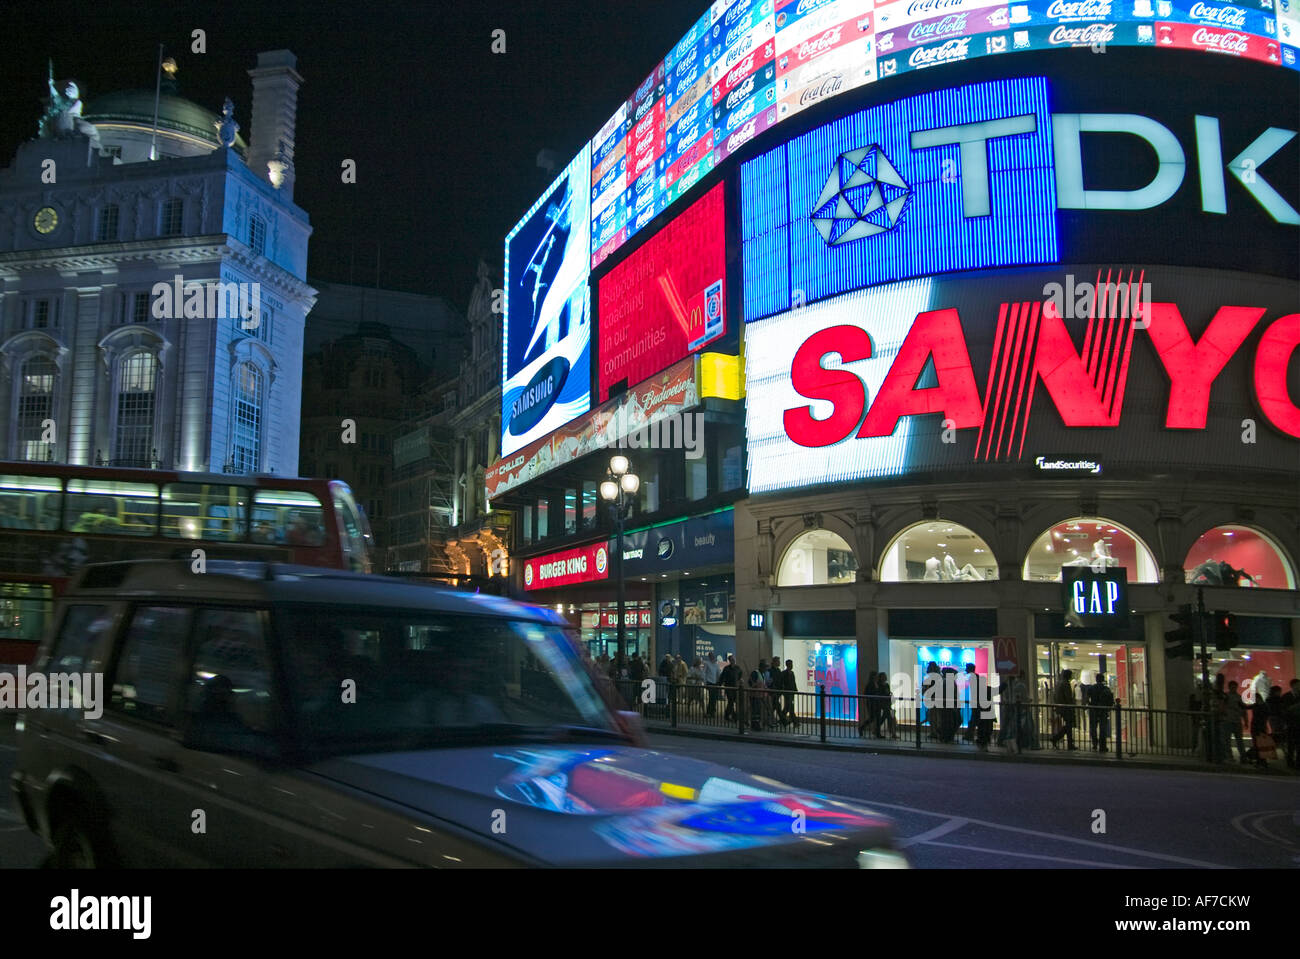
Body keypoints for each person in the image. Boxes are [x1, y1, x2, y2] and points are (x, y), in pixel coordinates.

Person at [1050, 669, 1077, 750]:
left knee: (1068, 726)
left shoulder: (1058, 683)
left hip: (1060, 707)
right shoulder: (1066, 684)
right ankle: (1064, 741)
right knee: (1069, 725)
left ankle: (1057, 739)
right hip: (1066, 708)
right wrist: (1072, 706)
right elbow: (1068, 697)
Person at [1088, 673, 1115, 753]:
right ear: (1103, 680)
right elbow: (1110, 700)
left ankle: (1095, 744)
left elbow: (1087, 698)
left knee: (1093, 728)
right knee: (1102, 728)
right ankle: (1102, 745)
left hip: (1093, 710)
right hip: (1103, 710)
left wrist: (1090, 705)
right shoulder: (1106, 689)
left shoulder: (1091, 688)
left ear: (1096, 679)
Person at [1224, 680, 1248, 763]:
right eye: (1232, 687)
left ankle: (1242, 756)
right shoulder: (1226, 697)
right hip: (1229, 720)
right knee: (1229, 740)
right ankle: (1232, 756)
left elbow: (1244, 710)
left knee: (1238, 740)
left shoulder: (1238, 697)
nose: (1234, 688)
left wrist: (1245, 721)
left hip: (1235, 720)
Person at [1282, 679, 1300, 769]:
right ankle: (1290, 762)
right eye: (1298, 685)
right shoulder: (1286, 696)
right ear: (1293, 686)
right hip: (1290, 724)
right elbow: (1284, 711)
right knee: (1291, 745)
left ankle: (1298, 763)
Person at [874, 671, 897, 739]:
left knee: (885, 716)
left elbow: (888, 693)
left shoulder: (886, 684)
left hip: (887, 703)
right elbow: (881, 694)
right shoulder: (879, 685)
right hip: (883, 703)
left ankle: (877, 729)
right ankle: (892, 732)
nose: (885, 677)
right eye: (883, 676)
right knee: (888, 716)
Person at [720, 655, 741, 722]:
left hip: (735, 687)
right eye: (731, 659)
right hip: (728, 687)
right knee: (731, 701)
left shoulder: (738, 668)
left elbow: (740, 675)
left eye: (734, 659)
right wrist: (720, 684)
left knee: (732, 702)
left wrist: (738, 681)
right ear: (729, 661)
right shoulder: (726, 668)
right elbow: (722, 677)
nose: (733, 661)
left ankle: (727, 714)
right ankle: (734, 716)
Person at [859, 671, 879, 737]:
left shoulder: (875, 683)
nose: (877, 677)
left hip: (874, 703)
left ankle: (875, 731)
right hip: (871, 703)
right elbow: (867, 693)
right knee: (872, 717)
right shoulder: (871, 684)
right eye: (876, 675)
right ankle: (862, 727)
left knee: (874, 717)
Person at [780, 660, 799, 728]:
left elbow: (793, 682)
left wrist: (795, 690)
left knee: (788, 707)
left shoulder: (792, 673)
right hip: (787, 693)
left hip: (791, 692)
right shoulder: (784, 673)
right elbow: (782, 683)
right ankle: (795, 722)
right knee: (790, 707)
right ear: (787, 665)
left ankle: (782, 719)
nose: (791, 666)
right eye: (790, 664)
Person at [703, 652, 721, 717]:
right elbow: (704, 673)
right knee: (711, 698)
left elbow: (718, 673)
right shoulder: (707, 663)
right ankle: (710, 711)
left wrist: (719, 682)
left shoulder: (716, 664)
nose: (712, 657)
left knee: (714, 698)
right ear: (709, 657)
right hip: (709, 682)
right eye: (711, 656)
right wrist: (705, 683)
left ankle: (712, 711)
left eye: (713, 656)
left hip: (715, 683)